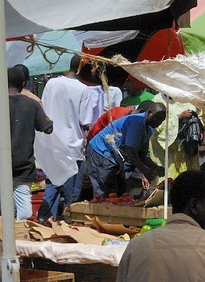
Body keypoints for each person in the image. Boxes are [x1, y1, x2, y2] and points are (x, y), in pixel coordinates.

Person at [35, 58, 95, 222]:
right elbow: (85, 120)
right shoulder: (83, 89)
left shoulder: (51, 84)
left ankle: (45, 219)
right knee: (71, 194)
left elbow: (43, 109)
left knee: (53, 183)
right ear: (78, 70)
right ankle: (67, 222)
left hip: (51, 143)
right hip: (72, 146)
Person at [83, 104, 167, 200]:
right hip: (100, 152)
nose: (159, 122)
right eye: (157, 118)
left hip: (114, 156)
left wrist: (155, 167)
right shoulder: (137, 122)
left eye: (161, 120)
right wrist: (144, 170)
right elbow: (131, 151)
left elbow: (142, 154)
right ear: (149, 113)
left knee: (120, 191)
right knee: (105, 192)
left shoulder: (149, 129)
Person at [8, 65, 52, 219]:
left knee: (5, 208)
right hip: (23, 166)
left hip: (2, 165)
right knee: (24, 207)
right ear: (24, 83)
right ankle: (19, 237)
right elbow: (48, 128)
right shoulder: (32, 104)